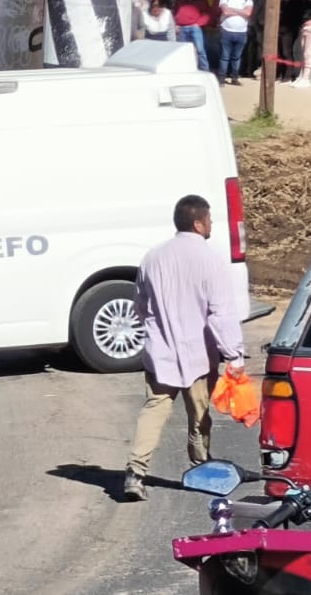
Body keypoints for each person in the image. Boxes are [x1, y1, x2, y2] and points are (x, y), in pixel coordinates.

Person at [123, 195, 245, 501]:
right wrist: (234, 354)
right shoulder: (209, 260)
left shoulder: (153, 257)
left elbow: (140, 305)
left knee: (154, 410)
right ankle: (200, 466)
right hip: (198, 354)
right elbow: (220, 313)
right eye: (210, 219)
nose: (212, 224)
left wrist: (157, 328)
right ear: (198, 223)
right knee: (199, 414)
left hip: (160, 352)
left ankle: (136, 471)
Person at [216, 0, 254, 86]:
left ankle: (234, 77)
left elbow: (248, 13)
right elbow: (226, 11)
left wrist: (233, 9)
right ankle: (222, 78)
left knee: (237, 57)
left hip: (241, 32)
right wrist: (241, 11)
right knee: (225, 56)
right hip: (226, 31)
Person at [172, 0, 212, 72]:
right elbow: (175, 11)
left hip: (194, 28)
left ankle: (205, 70)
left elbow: (206, 13)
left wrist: (198, 24)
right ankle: (184, 70)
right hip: (181, 28)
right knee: (182, 50)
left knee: (200, 50)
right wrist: (175, 24)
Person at [276, 0, 303, 82]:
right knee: (280, 53)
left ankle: (288, 75)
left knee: (286, 52)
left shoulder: (295, 5)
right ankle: (281, 73)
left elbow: (293, 19)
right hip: (281, 30)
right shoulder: (283, 4)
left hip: (289, 31)